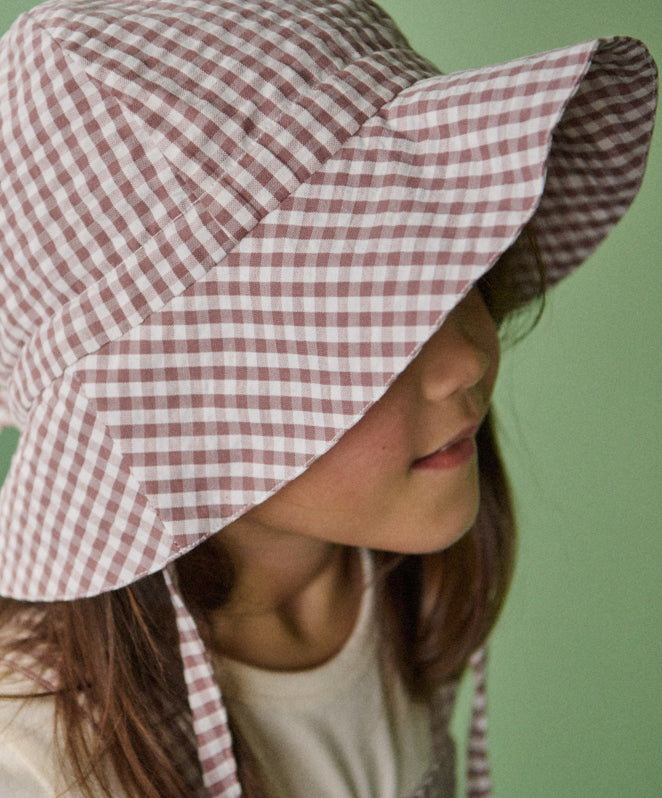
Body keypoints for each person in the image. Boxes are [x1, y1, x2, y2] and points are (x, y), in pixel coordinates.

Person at [0, 1, 656, 796]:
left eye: (453, 266)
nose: (463, 357)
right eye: (371, 327)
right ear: (179, 413)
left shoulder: (384, 586)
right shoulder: (40, 757)